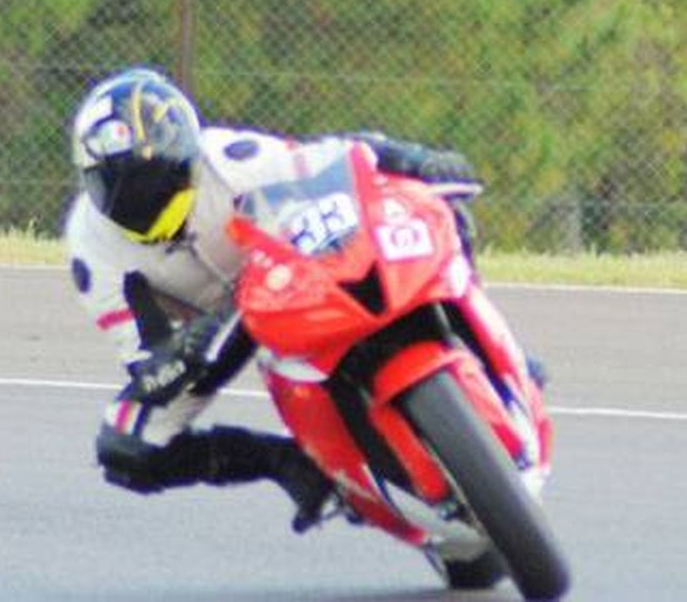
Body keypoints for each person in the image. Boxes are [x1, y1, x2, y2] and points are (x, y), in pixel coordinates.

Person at [65, 67, 496, 532]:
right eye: (116, 186)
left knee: (434, 211)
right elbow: (145, 360)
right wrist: (177, 355)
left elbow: (339, 155)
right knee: (125, 450)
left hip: (292, 273)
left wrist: (416, 160)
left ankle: (482, 343)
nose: (142, 202)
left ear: (186, 152)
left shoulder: (230, 158)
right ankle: (285, 463)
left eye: (156, 180)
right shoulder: (91, 250)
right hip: (215, 334)